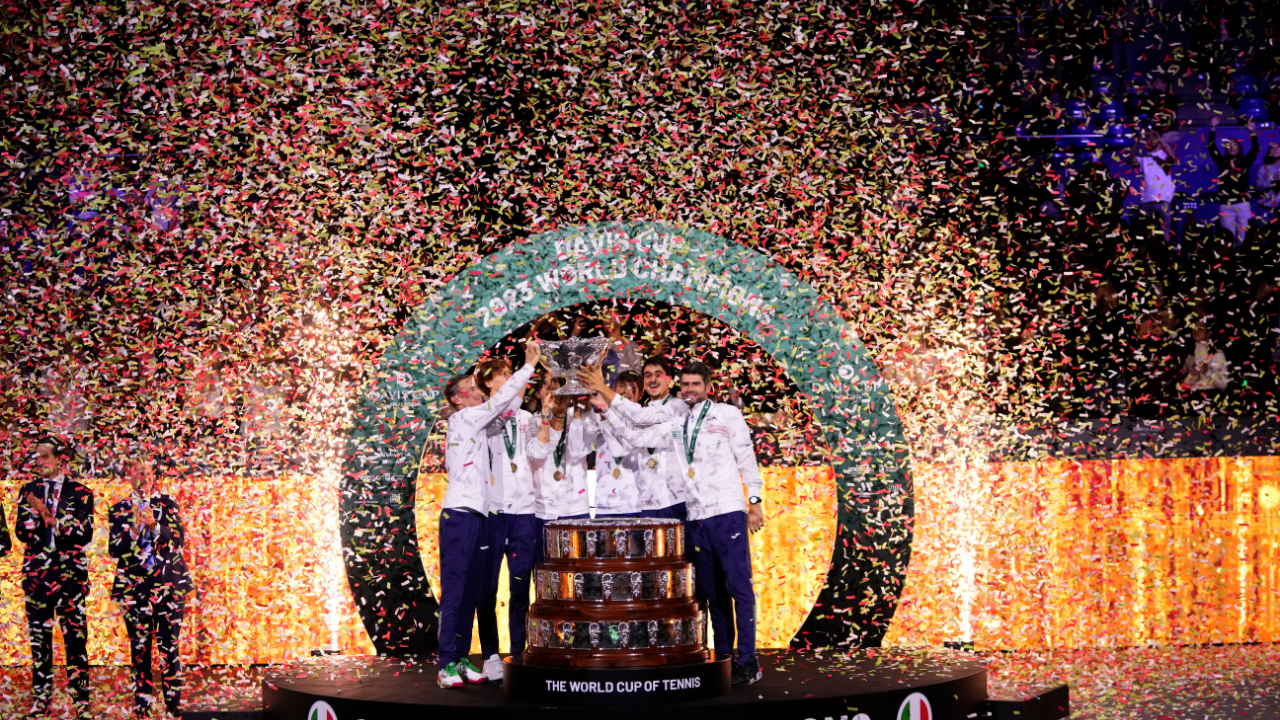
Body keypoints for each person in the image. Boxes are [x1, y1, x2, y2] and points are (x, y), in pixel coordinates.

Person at [580, 361, 765, 688]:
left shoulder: (726, 414)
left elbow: (746, 458)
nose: (690, 389)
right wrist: (605, 406)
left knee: (737, 588)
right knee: (707, 590)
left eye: (696, 384)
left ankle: (749, 660)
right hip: (697, 518)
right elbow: (634, 435)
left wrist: (754, 503)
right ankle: (722, 658)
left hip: (727, 511)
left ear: (707, 384)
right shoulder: (679, 422)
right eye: (687, 385)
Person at [436, 340, 539, 689]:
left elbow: (507, 409)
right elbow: (498, 401)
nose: (476, 392)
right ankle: (445, 662)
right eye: (470, 389)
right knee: (455, 591)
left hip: (481, 515)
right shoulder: (465, 418)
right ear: (457, 399)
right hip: (460, 514)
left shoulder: (481, 423)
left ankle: (464, 657)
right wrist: (527, 367)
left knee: (474, 591)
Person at [15, 436, 95, 719]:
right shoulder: (29, 490)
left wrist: (50, 516)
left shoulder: (82, 492)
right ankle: (41, 702)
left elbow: (83, 535)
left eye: (43, 456)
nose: (38, 462)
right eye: (36, 457)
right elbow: (22, 533)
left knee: (75, 640)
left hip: (70, 577)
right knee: (40, 642)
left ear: (60, 458)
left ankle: (81, 702)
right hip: (37, 577)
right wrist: (35, 517)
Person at [109, 458, 193, 719]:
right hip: (134, 590)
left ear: (153, 477)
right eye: (138, 473)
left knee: (169, 647)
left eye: (147, 473)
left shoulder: (168, 504)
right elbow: (114, 549)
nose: (143, 477)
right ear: (130, 477)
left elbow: (178, 540)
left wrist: (154, 526)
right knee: (140, 649)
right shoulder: (119, 509)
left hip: (169, 587)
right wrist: (135, 528)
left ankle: (173, 703)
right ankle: (143, 704)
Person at [474, 358, 542, 677]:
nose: (509, 379)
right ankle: (490, 655)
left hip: (523, 513)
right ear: (488, 383)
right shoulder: (479, 416)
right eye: (503, 375)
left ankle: (518, 652)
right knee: (486, 587)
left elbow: (539, 454)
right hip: (492, 513)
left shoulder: (528, 418)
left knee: (519, 587)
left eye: (510, 375)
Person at [633, 357, 690, 519]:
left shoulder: (681, 408)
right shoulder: (641, 413)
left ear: (669, 380)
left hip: (678, 500)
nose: (653, 379)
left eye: (658, 374)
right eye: (648, 375)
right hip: (648, 501)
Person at [582, 371, 644, 518]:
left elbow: (622, 449)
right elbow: (582, 441)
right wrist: (584, 403)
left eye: (632, 387)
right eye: (622, 386)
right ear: (613, 391)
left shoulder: (644, 420)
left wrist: (605, 410)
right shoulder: (599, 418)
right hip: (605, 504)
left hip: (633, 502)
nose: (626, 391)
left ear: (640, 394)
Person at [1208, 117, 1261, 244]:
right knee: (1228, 239)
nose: (1231, 146)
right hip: (1226, 206)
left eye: (1235, 144)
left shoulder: (1245, 162)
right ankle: (1229, 261)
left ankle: (1241, 260)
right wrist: (1212, 128)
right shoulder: (1222, 162)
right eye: (1229, 144)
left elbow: (1255, 150)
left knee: (1242, 238)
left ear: (1239, 147)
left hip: (1242, 205)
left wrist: (1252, 132)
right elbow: (1211, 147)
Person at [1126, 127, 1178, 242]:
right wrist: (1137, 142)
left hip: (1163, 200)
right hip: (1146, 201)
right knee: (1146, 234)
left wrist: (1159, 139)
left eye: (1154, 135)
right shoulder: (1143, 158)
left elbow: (1173, 156)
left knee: (1165, 235)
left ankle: (1166, 256)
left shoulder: (1164, 155)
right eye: (1148, 136)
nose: (1151, 138)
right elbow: (1129, 159)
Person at [1258, 140, 1280, 221]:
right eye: (1272, 148)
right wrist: (1273, 182)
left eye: (1278, 148)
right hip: (1266, 208)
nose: (1275, 150)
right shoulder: (1264, 168)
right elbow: (1259, 188)